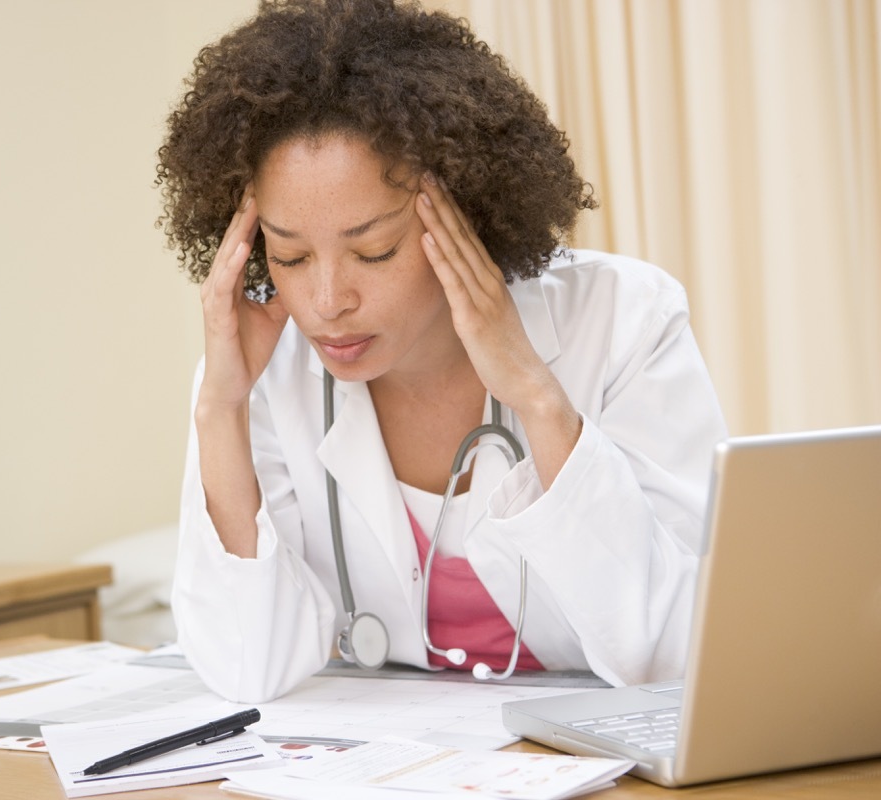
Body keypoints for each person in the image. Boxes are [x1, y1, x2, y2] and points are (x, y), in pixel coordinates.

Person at [156, 0, 727, 703]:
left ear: (463, 210)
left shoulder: (622, 320)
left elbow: (678, 649)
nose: (328, 300)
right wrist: (220, 407)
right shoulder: (259, 374)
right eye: (292, 255)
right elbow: (248, 665)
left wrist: (537, 397)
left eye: (375, 250)